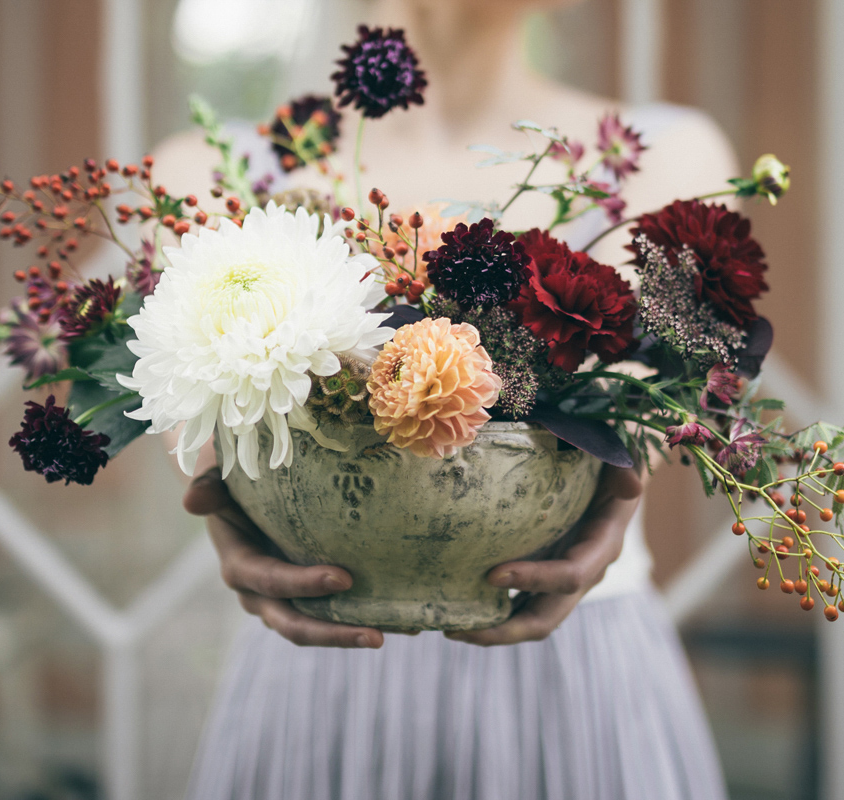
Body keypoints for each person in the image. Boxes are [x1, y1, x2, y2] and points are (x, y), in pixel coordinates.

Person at [155, 1, 737, 796]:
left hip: (572, 672)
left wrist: (623, 476)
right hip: (322, 668)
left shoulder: (667, 161)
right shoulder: (208, 175)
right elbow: (194, 423)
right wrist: (220, 497)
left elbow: (649, 411)